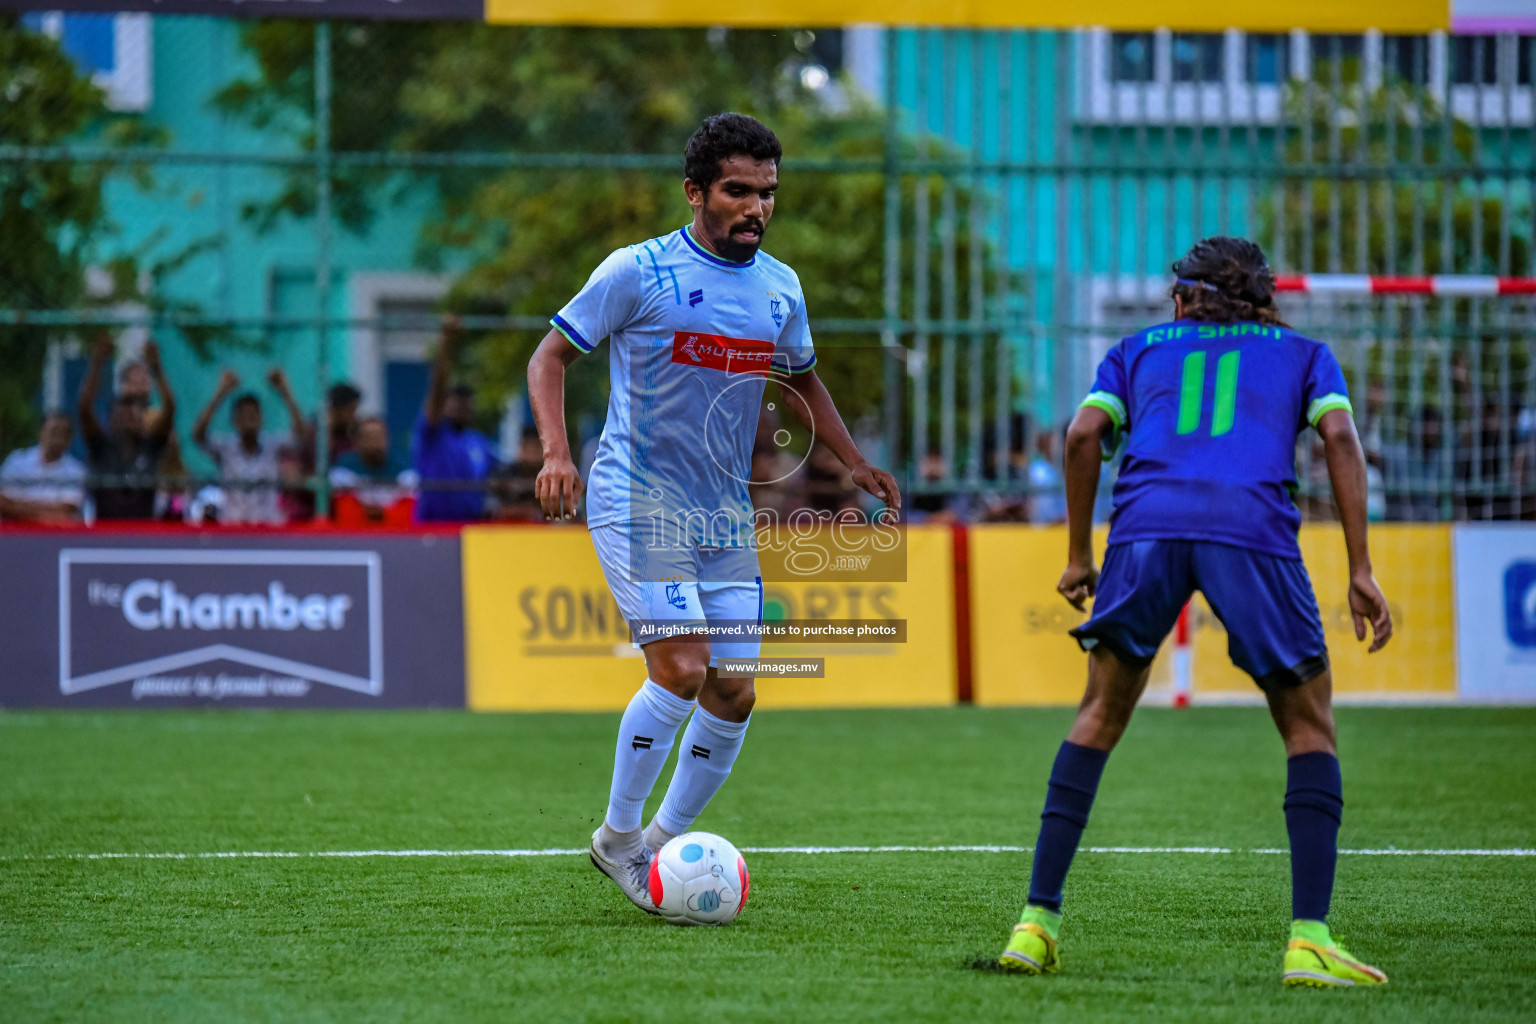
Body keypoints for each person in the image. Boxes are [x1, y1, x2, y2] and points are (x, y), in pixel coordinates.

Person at [526, 112, 901, 913]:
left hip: (722, 514)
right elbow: (550, 355)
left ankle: (652, 851)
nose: (756, 207)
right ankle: (620, 836)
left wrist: (853, 461)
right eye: (737, 190)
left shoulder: (781, 288)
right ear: (696, 192)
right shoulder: (639, 271)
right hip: (638, 496)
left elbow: (800, 381)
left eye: (767, 193)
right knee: (684, 670)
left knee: (734, 691)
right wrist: (557, 453)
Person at [997, 236, 1393, 988]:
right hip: (1252, 531)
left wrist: (1079, 554)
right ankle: (1309, 939)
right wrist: (1361, 567)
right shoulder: (1304, 355)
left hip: (1147, 529)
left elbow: (1083, 435)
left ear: (1182, 298)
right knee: (1309, 725)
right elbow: (1340, 436)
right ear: (1264, 301)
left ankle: (1035, 924)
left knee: (1098, 715)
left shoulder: (1136, 349)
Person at [78, 336, 176, 520]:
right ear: (111, 420)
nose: (130, 418)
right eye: (123, 414)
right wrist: (97, 364)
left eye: (134, 414)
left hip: (142, 532)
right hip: (105, 530)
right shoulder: (100, 446)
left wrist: (156, 369)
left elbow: (170, 408)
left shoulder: (151, 446)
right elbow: (84, 408)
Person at [191, 368, 305, 525]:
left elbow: (300, 435)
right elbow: (198, 435)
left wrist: (285, 391)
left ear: (261, 418)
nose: (249, 420)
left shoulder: (273, 446)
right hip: (233, 529)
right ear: (234, 420)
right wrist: (220, 393)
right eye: (244, 415)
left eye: (253, 415)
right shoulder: (225, 448)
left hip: (267, 528)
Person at [412, 316, 498, 522]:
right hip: (433, 527)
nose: (462, 409)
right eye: (456, 403)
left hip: (473, 531)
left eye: (467, 405)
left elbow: (495, 481)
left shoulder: (480, 443)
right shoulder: (433, 434)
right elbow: (439, 389)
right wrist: (446, 343)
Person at [0, 414, 87, 522]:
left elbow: (65, 512)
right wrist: (46, 513)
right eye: (54, 431)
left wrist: (19, 508)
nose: (59, 438)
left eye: (65, 433)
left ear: (70, 439)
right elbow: (3, 504)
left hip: (56, 536)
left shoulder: (76, 470)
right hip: (15, 533)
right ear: (41, 432)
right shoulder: (17, 461)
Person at [329, 416, 415, 520]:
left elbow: (405, 515)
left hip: (391, 533)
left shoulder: (403, 471)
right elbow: (346, 513)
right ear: (357, 441)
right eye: (368, 437)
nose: (374, 443)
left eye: (378, 437)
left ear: (387, 439)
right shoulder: (344, 468)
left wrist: (383, 513)